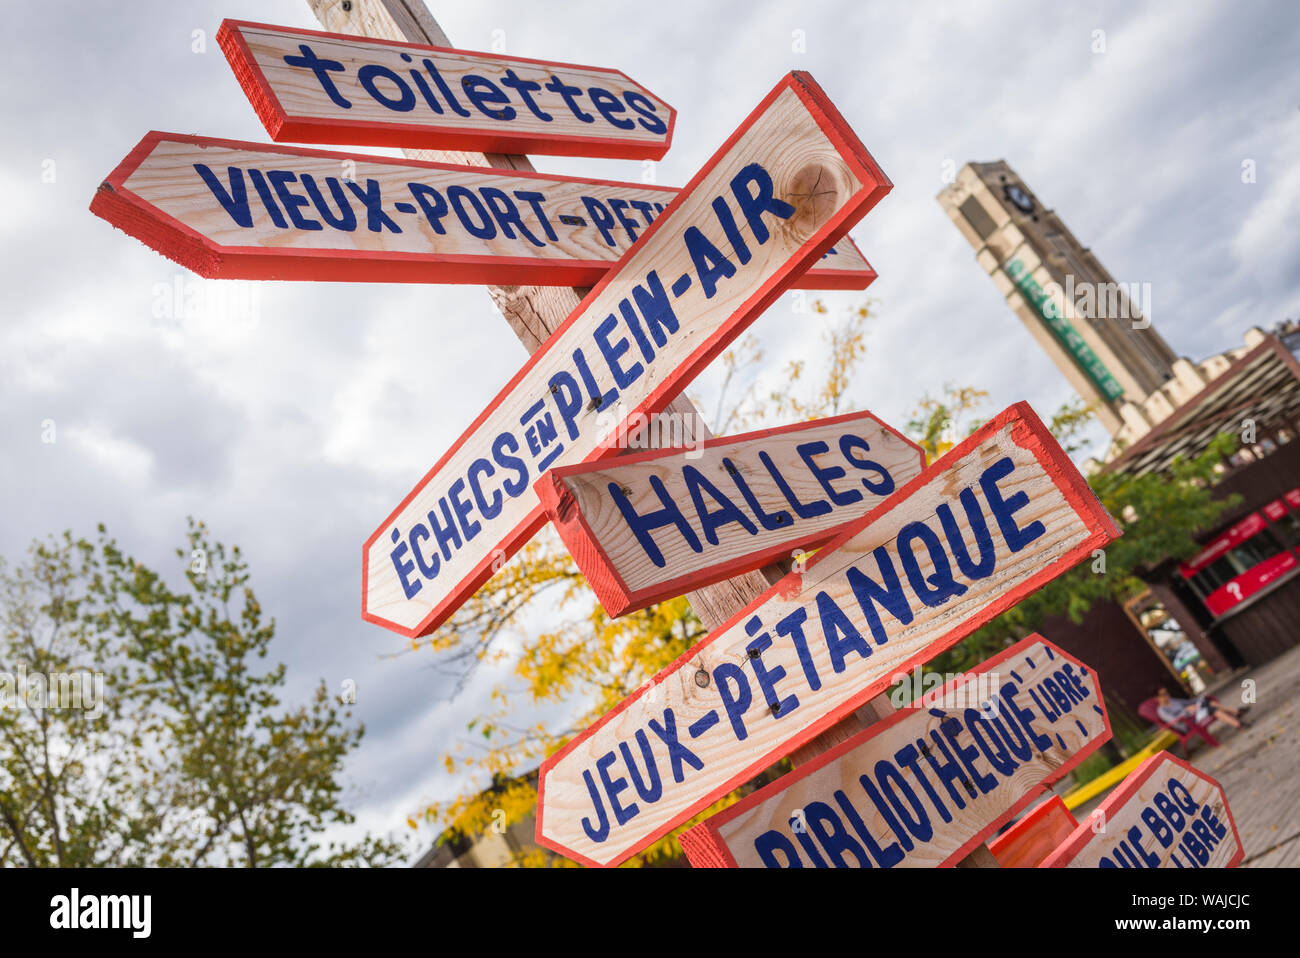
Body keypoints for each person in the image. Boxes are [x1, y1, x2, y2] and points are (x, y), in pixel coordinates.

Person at [1155, 687, 1250, 730]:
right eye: (1163, 694)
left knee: (1208, 702)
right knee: (1211, 709)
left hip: (1195, 714)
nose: (1167, 695)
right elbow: (1175, 721)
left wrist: (1200, 698)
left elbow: (1189, 702)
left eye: (1166, 692)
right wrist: (1186, 710)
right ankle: (1237, 718)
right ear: (1157, 698)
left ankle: (1238, 720)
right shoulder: (1162, 710)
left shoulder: (1173, 700)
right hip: (1189, 723)